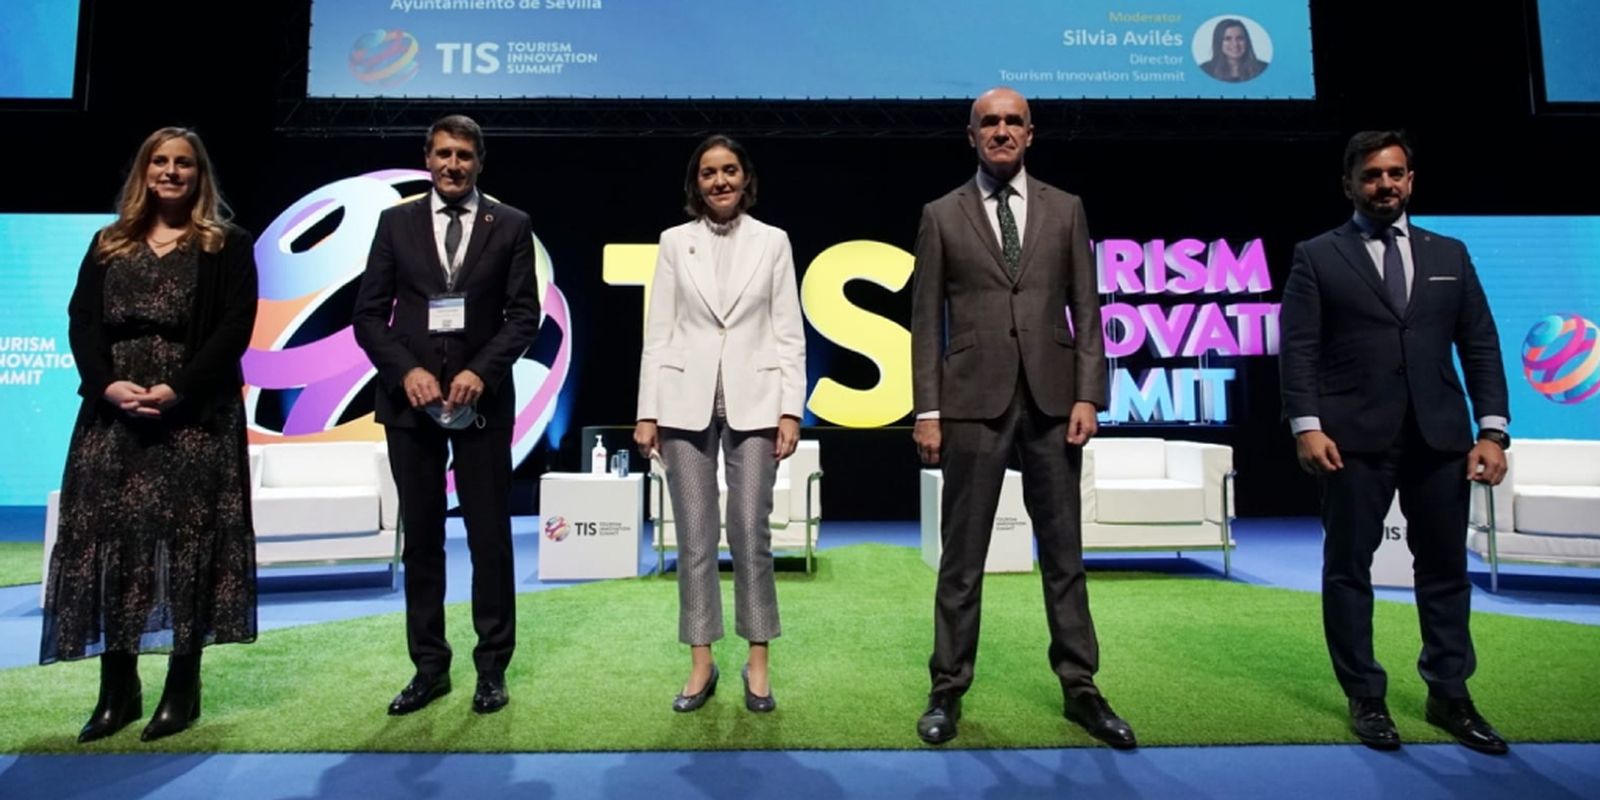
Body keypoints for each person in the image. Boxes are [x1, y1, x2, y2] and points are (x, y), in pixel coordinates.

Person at [909, 87, 1133, 749]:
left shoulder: (1066, 209)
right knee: (962, 561)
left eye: (1013, 121)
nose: (1001, 131)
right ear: (971, 135)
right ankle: (947, 690)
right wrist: (927, 409)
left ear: (1031, 133)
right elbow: (926, 322)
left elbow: (1087, 310)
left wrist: (1090, 394)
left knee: (1065, 558)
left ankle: (1082, 690)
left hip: (1053, 403)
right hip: (970, 403)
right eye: (989, 123)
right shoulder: (940, 214)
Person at [1279, 130, 1511, 754]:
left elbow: (1481, 345)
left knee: (1444, 571)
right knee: (1348, 571)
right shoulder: (1318, 255)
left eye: (1396, 173)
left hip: (1440, 440)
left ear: (1411, 180)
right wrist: (1307, 426)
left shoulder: (1451, 255)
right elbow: (1298, 349)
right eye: (1372, 175)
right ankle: (1367, 697)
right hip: (1351, 440)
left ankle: (1450, 695)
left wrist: (1492, 430)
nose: (1385, 185)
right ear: (1349, 184)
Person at [41, 126, 259, 743]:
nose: (170, 171)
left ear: (199, 175)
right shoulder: (108, 243)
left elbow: (233, 328)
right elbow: (82, 322)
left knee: (188, 547)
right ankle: (118, 690)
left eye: (183, 163)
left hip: (194, 418)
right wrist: (106, 384)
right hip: (113, 418)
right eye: (159, 161)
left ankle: (181, 691)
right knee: (114, 545)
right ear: (144, 171)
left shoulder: (226, 245)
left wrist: (179, 388)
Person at [352, 114, 541, 716]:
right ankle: (429, 667)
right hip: (409, 403)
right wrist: (405, 371)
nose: (452, 165)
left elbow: (522, 317)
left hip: (480, 402)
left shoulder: (510, 225)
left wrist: (479, 372)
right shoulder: (395, 222)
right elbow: (367, 315)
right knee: (424, 540)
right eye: (442, 154)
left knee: (489, 539)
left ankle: (492, 669)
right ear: (426, 158)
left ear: (479, 161)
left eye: (463, 155)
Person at [634, 134, 805, 714]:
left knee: (750, 533)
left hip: (757, 401)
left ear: (745, 177)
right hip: (682, 401)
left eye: (729, 170)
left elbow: (789, 332)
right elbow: (658, 332)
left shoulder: (774, 241)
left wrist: (790, 407)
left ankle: (757, 663)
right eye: (709, 173)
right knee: (696, 535)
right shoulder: (673, 242)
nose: (720, 181)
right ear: (696, 183)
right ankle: (701, 662)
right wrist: (647, 410)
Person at [1200, 18, 1269, 83]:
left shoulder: (1263, 69)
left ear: (1247, 41)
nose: (1235, 44)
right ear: (1218, 42)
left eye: (1240, 38)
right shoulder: (1205, 70)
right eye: (1228, 39)